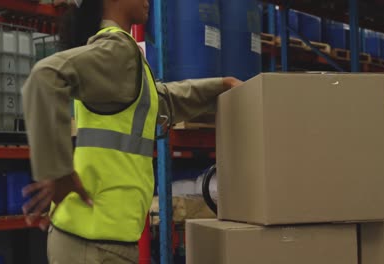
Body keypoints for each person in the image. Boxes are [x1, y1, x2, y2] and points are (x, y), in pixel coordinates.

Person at [21, 0, 242, 263]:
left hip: (98, 240)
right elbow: (44, 77)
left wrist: (219, 86)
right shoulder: (117, 50)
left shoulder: (122, 53)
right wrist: (58, 171)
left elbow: (161, 101)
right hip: (94, 245)